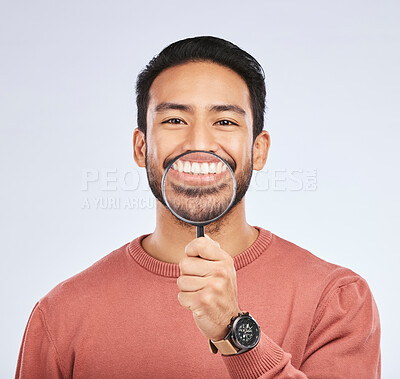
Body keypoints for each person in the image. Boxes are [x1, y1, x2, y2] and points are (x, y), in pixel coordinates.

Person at [15, 36, 381, 378]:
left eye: (224, 121)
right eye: (174, 120)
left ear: (259, 149)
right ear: (141, 147)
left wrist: (235, 332)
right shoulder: (61, 314)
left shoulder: (337, 300)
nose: (199, 142)